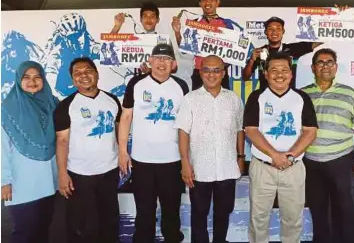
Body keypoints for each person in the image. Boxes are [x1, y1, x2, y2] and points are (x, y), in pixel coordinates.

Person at [243, 51, 318, 242]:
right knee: (258, 218)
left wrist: (290, 156)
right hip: (263, 167)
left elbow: (310, 131)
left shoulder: (301, 98)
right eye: (274, 70)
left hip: (293, 167)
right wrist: (275, 155)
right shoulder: (256, 97)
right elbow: (251, 130)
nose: (279, 74)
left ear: (291, 74)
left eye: (284, 70)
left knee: (293, 218)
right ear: (266, 74)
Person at [118, 43, 189, 243]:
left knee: (171, 213)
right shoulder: (136, 83)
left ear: (173, 64)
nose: (161, 63)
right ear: (149, 61)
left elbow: (185, 125)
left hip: (172, 161)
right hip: (142, 162)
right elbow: (126, 118)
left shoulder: (181, 86)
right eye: (158, 58)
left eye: (166, 59)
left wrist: (186, 160)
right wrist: (123, 151)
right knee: (144, 213)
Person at [301, 48, 354, 243]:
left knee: (345, 208)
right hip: (311, 161)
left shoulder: (350, 94)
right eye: (321, 62)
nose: (325, 66)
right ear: (314, 68)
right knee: (317, 208)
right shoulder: (303, 94)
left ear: (336, 67)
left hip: (340, 159)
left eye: (330, 62)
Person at [175, 55, 245, 243]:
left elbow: (239, 129)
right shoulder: (190, 99)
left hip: (227, 168)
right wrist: (185, 163)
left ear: (223, 73)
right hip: (199, 169)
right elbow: (183, 132)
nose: (211, 74)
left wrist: (240, 157)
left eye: (216, 70)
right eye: (207, 70)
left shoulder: (233, 99)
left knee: (223, 213)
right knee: (199, 215)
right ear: (200, 72)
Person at [54, 57, 122, 243]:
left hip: (109, 172)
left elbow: (118, 133)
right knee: (84, 227)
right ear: (73, 79)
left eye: (87, 70)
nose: (83, 76)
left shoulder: (112, 100)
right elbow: (61, 141)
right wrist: (62, 174)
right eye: (77, 73)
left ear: (97, 74)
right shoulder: (66, 107)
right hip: (80, 175)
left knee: (109, 223)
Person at [1, 61, 58, 243]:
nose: (32, 81)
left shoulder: (53, 105)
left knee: (43, 231)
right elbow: (1, 148)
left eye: (37, 77)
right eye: (26, 77)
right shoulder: (7, 110)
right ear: (19, 80)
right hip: (22, 184)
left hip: (49, 182)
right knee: (24, 233)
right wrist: (4, 181)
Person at [243, 5, 349, 90]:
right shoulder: (260, 52)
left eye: (278, 28)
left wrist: (339, 17)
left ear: (283, 32)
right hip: (265, 98)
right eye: (270, 29)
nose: (274, 32)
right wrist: (252, 60)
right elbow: (245, 77)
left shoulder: (293, 49)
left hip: (289, 97)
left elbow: (320, 38)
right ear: (266, 32)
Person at [172, 0, 251, 90]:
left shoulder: (227, 24)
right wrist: (177, 32)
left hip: (219, 73)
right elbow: (185, 49)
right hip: (199, 72)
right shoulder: (195, 23)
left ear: (217, 2)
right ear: (200, 3)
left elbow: (235, 51)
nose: (207, 2)